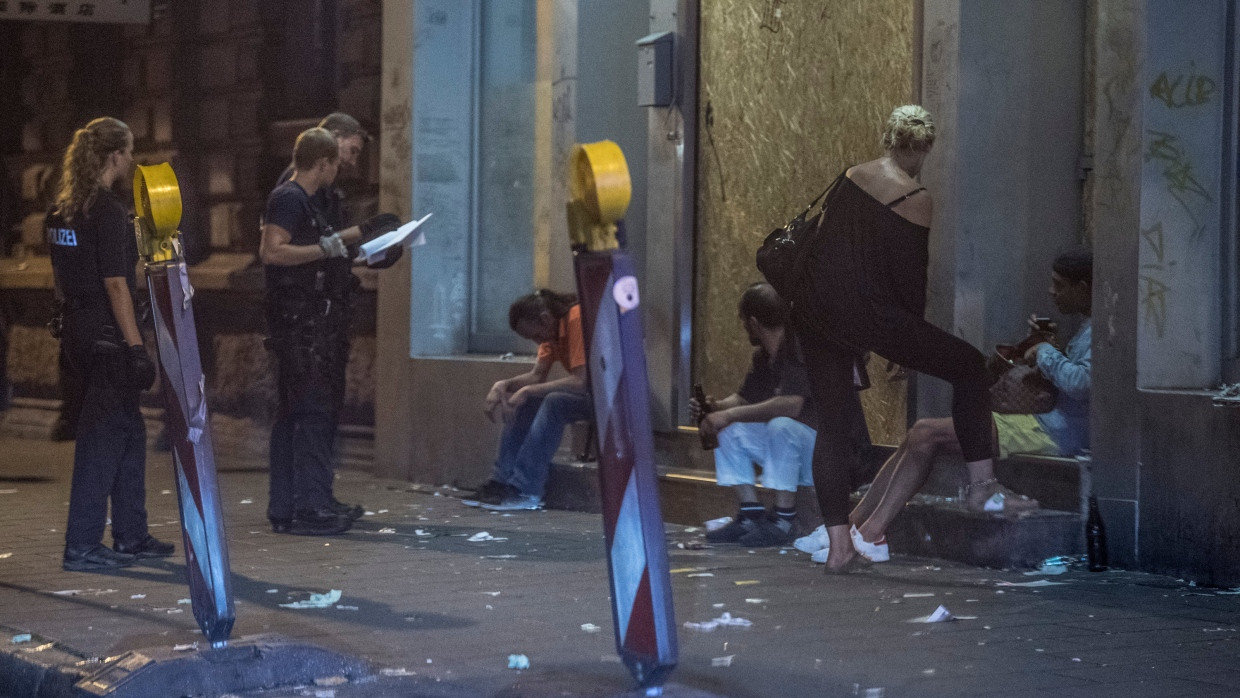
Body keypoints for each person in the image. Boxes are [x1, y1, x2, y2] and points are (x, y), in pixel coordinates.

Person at [792, 105, 1036, 574]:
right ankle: (982, 487)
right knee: (967, 365)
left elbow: (827, 247)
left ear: (887, 138)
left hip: (816, 312)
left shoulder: (850, 175)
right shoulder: (914, 196)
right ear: (924, 147)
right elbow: (910, 277)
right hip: (870, 313)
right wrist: (905, 342)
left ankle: (840, 547)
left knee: (834, 426)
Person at [800, 249, 1093, 564]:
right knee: (919, 432)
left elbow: (1082, 383)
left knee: (927, 434)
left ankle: (872, 533)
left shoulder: (1101, 331)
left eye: (1060, 285)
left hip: (1057, 433)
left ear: (1086, 287)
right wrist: (1041, 347)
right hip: (1043, 422)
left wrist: (1046, 352)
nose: (1052, 292)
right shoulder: (1085, 326)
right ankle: (855, 523)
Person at [47, 117, 174, 571]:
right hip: (108, 334)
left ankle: (131, 534)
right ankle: (82, 544)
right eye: (130, 150)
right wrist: (137, 348)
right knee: (101, 438)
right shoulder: (108, 212)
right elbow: (117, 285)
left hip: (79, 332)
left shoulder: (62, 211)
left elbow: (67, 278)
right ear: (115, 155)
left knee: (128, 430)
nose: (133, 158)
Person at [261, 127, 401, 535]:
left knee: (298, 415)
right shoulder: (289, 198)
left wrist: (364, 247)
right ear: (322, 163)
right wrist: (336, 245)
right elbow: (272, 251)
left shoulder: (308, 202)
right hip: (303, 327)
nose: (340, 170)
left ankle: (293, 505)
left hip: (308, 324)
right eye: (337, 163)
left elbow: (321, 252)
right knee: (313, 414)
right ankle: (310, 507)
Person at [692, 283, 826, 547]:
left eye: (743, 322)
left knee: (780, 425)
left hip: (823, 450)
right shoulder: (764, 356)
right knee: (727, 427)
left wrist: (729, 414)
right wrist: (714, 408)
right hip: (790, 449)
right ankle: (750, 513)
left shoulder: (799, 347)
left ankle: (783, 519)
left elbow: (791, 405)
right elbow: (743, 399)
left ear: (753, 323)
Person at [468, 289, 590, 511]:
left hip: (610, 399)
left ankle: (526, 489)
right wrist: (503, 385)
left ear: (545, 319)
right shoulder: (550, 331)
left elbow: (580, 381)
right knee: (527, 399)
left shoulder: (576, 318)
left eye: (535, 336)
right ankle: (501, 481)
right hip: (585, 394)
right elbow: (536, 376)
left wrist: (528, 390)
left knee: (553, 402)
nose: (537, 341)